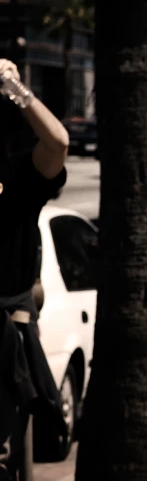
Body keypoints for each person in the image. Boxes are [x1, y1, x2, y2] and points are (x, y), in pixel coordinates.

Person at [0, 59, 70, 480]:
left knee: (9, 451)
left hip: (9, 331)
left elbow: (58, 141)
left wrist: (15, 88)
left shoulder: (18, 175)